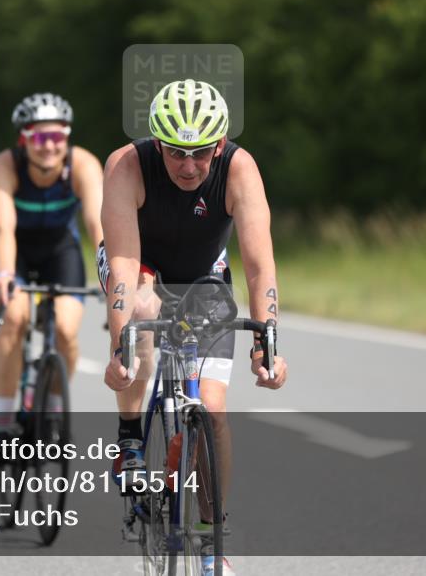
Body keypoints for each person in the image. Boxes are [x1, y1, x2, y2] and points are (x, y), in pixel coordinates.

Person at [100, 79, 288, 576]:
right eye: (176, 153)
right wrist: (121, 346)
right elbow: (121, 260)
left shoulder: (239, 169)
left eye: (201, 154)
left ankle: (210, 542)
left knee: (214, 408)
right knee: (140, 317)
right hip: (140, 267)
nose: (188, 166)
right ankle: (130, 438)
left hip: (207, 276)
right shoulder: (126, 164)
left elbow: (260, 266)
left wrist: (266, 342)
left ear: (220, 146)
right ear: (157, 144)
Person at [0, 93, 104, 444]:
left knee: (65, 330)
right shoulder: (4, 165)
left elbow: (97, 223)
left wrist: (113, 276)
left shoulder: (83, 165)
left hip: (58, 249)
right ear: (24, 139)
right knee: (15, 317)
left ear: (67, 137)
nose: (49, 146)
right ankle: (2, 423)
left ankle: (49, 410)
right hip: (9, 250)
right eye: (39, 137)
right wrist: (5, 276)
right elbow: (3, 227)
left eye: (57, 136)